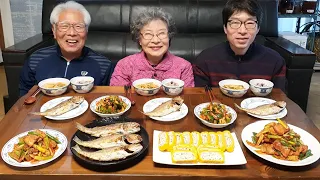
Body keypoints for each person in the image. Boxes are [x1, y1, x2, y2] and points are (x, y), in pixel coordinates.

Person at [19, 1, 112, 96]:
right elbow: (24, 97)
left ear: (86, 32)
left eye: (78, 26)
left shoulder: (103, 65)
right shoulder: (35, 60)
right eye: (64, 26)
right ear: (54, 31)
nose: (72, 33)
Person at [193, 0, 286, 91]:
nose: (242, 31)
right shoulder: (205, 60)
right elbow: (201, 99)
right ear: (225, 28)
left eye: (250, 23)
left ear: (258, 29)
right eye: (235, 23)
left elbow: (280, 99)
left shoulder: (275, 61)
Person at [110, 8, 194, 87]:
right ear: (139, 39)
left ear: (169, 37)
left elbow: (188, 99)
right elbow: (117, 97)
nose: (155, 40)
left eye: (161, 33)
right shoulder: (125, 65)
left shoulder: (184, 67)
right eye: (148, 34)